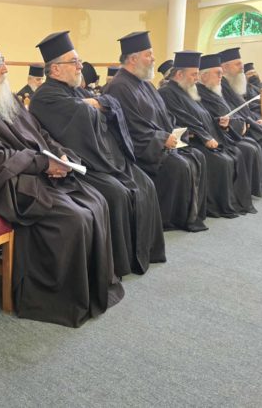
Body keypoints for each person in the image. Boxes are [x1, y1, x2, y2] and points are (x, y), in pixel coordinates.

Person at [0, 26, 124, 327]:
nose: (5, 69)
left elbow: (38, 133)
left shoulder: (6, 97)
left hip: (32, 173)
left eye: (3, 60)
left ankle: (94, 289)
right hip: (3, 184)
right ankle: (60, 301)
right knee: (74, 217)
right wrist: (43, 164)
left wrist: (60, 154)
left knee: (96, 200)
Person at [29, 30, 165, 277]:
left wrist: (95, 105)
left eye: (79, 61)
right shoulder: (45, 96)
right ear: (55, 69)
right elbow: (84, 118)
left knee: (145, 182)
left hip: (102, 158)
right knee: (117, 193)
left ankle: (147, 250)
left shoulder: (76, 91)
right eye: (74, 62)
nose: (80, 67)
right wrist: (93, 106)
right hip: (79, 164)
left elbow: (111, 104)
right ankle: (121, 263)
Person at [103, 31, 208, 232]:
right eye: (148, 54)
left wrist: (174, 133)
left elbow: (164, 114)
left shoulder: (146, 84)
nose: (153, 59)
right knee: (178, 165)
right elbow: (128, 128)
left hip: (161, 143)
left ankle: (189, 214)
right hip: (139, 152)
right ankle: (169, 218)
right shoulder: (119, 86)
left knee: (196, 155)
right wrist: (161, 140)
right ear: (133, 59)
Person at [159, 51, 256, 217]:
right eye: (193, 74)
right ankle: (216, 206)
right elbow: (184, 118)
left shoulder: (188, 90)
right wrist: (206, 137)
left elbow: (204, 115)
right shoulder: (167, 92)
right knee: (222, 161)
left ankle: (234, 202)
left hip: (207, 137)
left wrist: (220, 122)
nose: (196, 78)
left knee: (235, 154)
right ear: (180, 74)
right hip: (191, 140)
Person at [219, 47, 262, 193]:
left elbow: (246, 109)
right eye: (238, 64)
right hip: (237, 129)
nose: (242, 67)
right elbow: (229, 112)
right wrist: (250, 124)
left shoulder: (234, 84)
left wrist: (259, 120)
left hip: (247, 123)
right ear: (225, 68)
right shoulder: (221, 87)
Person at [196, 54, 262, 198]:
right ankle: (235, 195)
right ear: (204, 76)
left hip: (227, 133)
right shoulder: (199, 93)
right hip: (216, 136)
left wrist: (237, 124)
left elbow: (232, 112)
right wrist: (230, 126)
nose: (221, 76)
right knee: (247, 149)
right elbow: (209, 119)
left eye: (221, 73)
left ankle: (248, 191)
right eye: (218, 73)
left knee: (252, 145)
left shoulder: (215, 91)